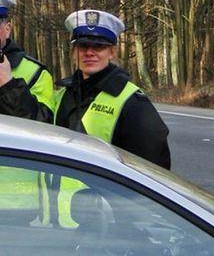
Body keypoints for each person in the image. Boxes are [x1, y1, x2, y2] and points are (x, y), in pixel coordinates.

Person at [53, 9, 171, 169]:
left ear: (111, 52)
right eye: (83, 46)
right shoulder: (62, 95)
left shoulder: (132, 102)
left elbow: (153, 170)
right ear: (74, 52)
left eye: (98, 46)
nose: (89, 53)